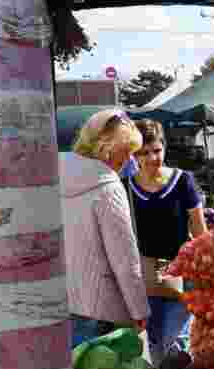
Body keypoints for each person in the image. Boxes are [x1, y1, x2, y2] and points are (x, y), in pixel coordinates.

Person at [61, 109, 149, 348]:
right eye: (127, 153)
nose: (130, 161)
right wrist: (139, 310)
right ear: (110, 150)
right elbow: (124, 257)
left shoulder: (49, 175)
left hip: (57, 303)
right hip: (100, 310)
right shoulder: (108, 187)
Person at [124, 119, 208, 366]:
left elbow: (200, 231)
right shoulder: (125, 187)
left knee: (176, 344)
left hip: (180, 276)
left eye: (157, 150)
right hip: (145, 278)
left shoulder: (183, 181)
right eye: (144, 153)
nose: (152, 158)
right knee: (155, 344)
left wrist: (207, 273)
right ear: (134, 155)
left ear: (165, 147)